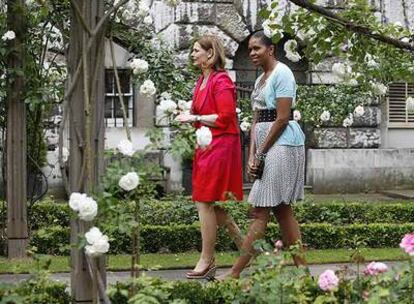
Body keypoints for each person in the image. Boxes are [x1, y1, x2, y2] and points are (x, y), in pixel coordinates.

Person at [217, 31, 307, 279]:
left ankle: (234, 273)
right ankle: (304, 274)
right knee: (282, 210)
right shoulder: (259, 81)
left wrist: (262, 152)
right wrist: (252, 154)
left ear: (271, 49)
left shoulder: (283, 73)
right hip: (267, 146)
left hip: (284, 144)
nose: (252, 53)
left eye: (257, 48)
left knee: (260, 211)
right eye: (249, 50)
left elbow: (282, 118)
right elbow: (257, 119)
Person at [175, 35, 244, 280]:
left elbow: (225, 117)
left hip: (222, 144)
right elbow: (201, 113)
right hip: (206, 144)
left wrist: (192, 119)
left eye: (196, 50)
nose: (193, 54)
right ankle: (248, 249)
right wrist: (186, 114)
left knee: (204, 200)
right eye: (192, 50)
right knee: (214, 204)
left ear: (210, 54)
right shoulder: (201, 81)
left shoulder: (221, 80)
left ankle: (207, 259)